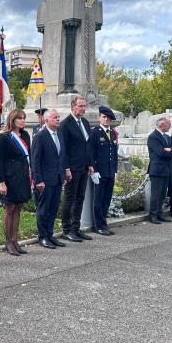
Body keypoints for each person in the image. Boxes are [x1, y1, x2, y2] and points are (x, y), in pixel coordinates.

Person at [0, 109, 32, 256]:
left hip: (22, 176)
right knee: (10, 209)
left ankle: (15, 240)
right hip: (10, 177)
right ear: (13, 120)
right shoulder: (4, 137)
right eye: (20, 118)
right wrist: (2, 182)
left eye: (24, 118)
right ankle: (8, 242)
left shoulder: (25, 135)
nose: (23, 121)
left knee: (18, 209)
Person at [31, 109, 67, 249]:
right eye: (54, 117)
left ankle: (50, 235)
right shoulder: (40, 136)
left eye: (58, 117)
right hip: (45, 180)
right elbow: (35, 160)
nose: (58, 119)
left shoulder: (59, 135)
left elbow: (61, 156)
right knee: (43, 209)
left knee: (53, 209)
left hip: (57, 178)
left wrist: (63, 174)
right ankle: (43, 237)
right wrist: (38, 180)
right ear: (46, 121)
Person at [60, 96, 93, 242]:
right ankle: (66, 230)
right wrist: (66, 168)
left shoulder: (85, 122)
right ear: (73, 107)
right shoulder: (66, 124)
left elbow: (88, 145)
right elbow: (64, 149)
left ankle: (76, 228)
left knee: (80, 198)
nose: (83, 109)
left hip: (84, 167)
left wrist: (90, 164)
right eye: (80, 106)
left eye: (84, 106)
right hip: (72, 168)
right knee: (69, 199)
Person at [87, 106, 118, 235]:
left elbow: (114, 153)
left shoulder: (112, 132)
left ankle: (104, 223)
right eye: (104, 117)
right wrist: (93, 168)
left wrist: (115, 169)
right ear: (99, 118)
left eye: (108, 118)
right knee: (98, 200)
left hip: (110, 171)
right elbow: (90, 152)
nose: (106, 120)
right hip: (99, 171)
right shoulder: (95, 132)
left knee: (106, 199)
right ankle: (98, 226)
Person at [147, 117, 172, 224]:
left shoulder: (167, 137)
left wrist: (170, 149)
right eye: (168, 124)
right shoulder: (153, 137)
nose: (170, 126)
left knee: (163, 194)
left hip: (166, 169)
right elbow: (160, 152)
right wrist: (167, 150)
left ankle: (160, 213)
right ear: (161, 125)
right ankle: (153, 215)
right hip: (157, 169)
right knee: (156, 194)